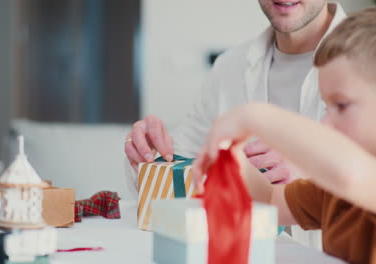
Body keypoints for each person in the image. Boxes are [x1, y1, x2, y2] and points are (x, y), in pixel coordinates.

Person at [192, 5, 376, 263]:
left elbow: (350, 174)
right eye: (326, 107)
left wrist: (255, 116)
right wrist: (235, 162)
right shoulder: (335, 191)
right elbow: (272, 200)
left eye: (342, 106)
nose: (326, 122)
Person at [126, 0, 346, 193]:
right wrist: (150, 157)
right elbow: (184, 165)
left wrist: (315, 177)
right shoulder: (230, 66)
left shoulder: (374, 59)